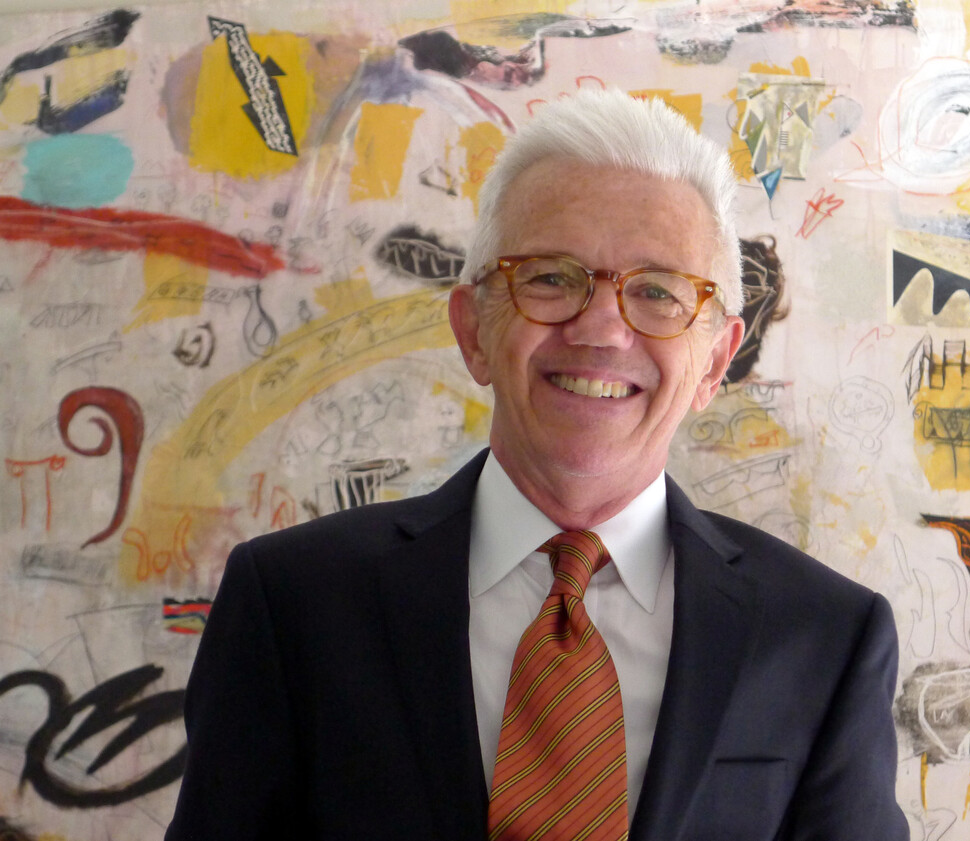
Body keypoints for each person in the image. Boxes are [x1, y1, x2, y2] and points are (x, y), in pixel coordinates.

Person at [165, 89, 908, 841]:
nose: (601, 329)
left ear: (715, 362)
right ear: (473, 331)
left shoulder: (826, 635)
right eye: (551, 277)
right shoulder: (291, 602)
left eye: (657, 291)